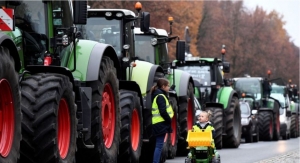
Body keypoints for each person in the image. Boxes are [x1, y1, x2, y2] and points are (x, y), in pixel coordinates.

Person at [151, 78, 174, 163]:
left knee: (158, 145)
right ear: (163, 86)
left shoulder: (157, 94)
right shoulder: (160, 96)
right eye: (168, 86)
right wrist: (168, 120)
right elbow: (163, 111)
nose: (169, 87)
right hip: (161, 123)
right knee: (159, 145)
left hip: (158, 123)